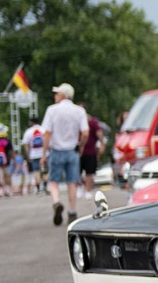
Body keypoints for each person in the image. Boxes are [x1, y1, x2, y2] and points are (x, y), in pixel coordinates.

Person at [43, 82, 89, 225]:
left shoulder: (52, 110)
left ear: (63, 95)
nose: (55, 96)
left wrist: (44, 153)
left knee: (54, 181)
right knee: (72, 182)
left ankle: (56, 201)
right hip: (72, 150)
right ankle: (72, 211)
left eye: (57, 94)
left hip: (56, 150)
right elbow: (85, 133)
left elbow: (47, 133)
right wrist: (80, 145)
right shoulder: (79, 111)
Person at [81, 111, 105, 195]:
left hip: (89, 151)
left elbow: (99, 133)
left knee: (89, 172)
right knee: (86, 172)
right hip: (82, 151)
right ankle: (84, 189)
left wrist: (102, 144)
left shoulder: (92, 123)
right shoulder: (80, 122)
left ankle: (87, 189)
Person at [21, 120, 46, 194]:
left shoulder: (28, 131)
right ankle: (45, 186)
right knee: (45, 170)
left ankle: (38, 189)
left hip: (34, 154)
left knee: (36, 171)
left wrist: (28, 154)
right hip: (44, 153)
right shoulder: (43, 129)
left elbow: (25, 144)